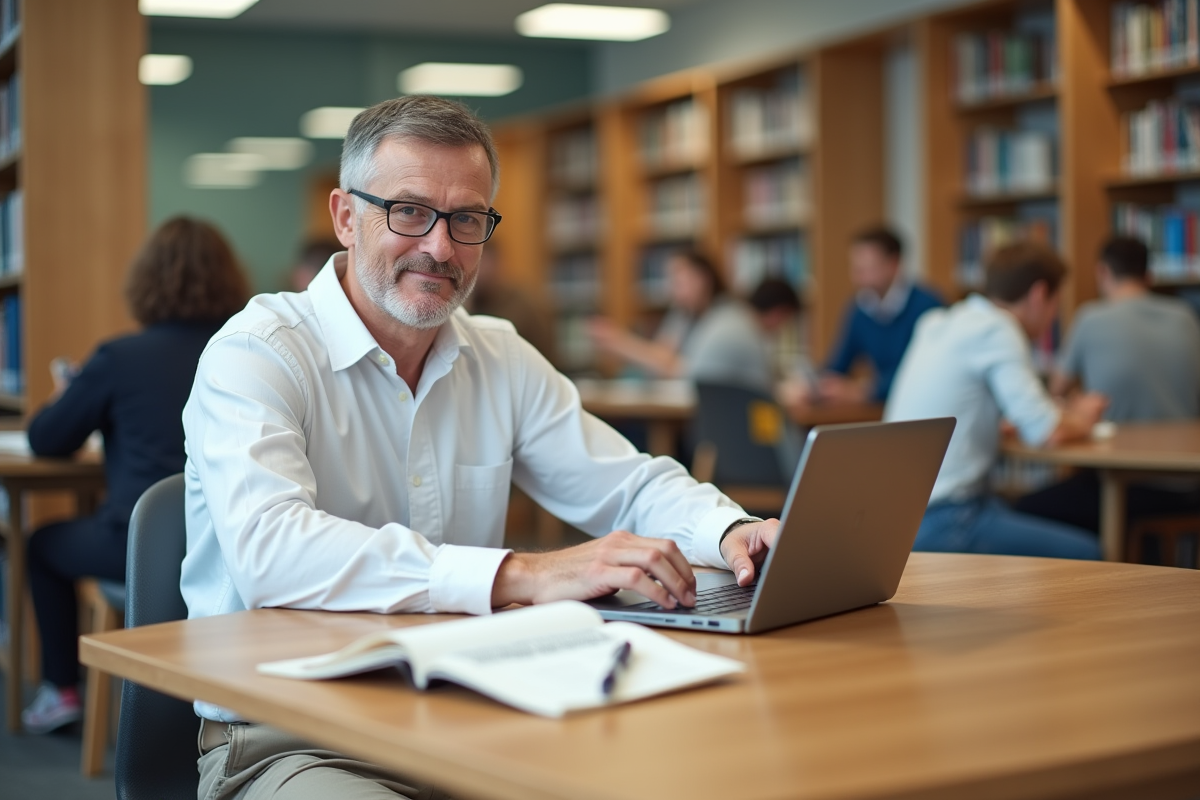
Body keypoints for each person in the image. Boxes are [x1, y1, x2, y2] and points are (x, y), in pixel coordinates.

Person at [181, 95, 780, 800]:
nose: (440, 247)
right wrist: (521, 575)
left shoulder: (498, 354)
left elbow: (630, 486)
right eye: (408, 211)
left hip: (475, 710)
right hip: (296, 738)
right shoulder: (257, 352)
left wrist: (732, 530)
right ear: (345, 218)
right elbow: (272, 554)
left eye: (466, 219)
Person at [21, 217, 249, 734]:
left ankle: (61, 691)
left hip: (133, 548)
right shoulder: (247, 349)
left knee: (41, 546)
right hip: (234, 550)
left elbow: (47, 439)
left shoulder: (120, 357)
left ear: (146, 281)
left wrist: (67, 396)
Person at [885, 241, 1105, 559]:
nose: (1053, 317)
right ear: (1039, 294)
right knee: (1090, 553)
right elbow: (1047, 431)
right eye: (1056, 304)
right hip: (947, 518)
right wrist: (1083, 417)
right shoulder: (998, 330)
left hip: (900, 517)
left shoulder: (941, 322)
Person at [1014, 236, 1200, 534]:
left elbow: (1053, 396)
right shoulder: (1186, 318)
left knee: (1024, 511)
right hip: (1189, 485)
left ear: (1102, 272)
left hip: (1123, 483)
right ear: (1148, 275)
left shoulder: (1091, 318)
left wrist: (1077, 405)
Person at [587, 249, 773, 392]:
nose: (672, 289)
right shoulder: (683, 315)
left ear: (702, 279)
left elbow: (684, 372)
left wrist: (622, 343)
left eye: (678, 280)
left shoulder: (728, 320)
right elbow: (661, 356)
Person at [819, 226, 942, 404]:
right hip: (882, 408)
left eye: (866, 267)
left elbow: (923, 371)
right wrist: (819, 385)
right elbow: (839, 363)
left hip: (920, 408)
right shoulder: (859, 307)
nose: (857, 275)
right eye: (855, 267)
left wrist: (865, 390)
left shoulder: (928, 307)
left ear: (893, 264)